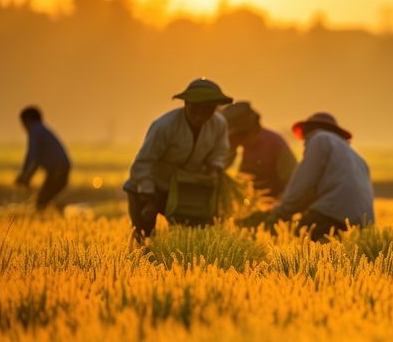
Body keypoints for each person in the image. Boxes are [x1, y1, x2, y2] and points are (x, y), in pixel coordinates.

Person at [124, 78, 233, 240]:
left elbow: (221, 150)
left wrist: (214, 167)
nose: (200, 116)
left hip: (183, 187)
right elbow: (144, 163)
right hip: (149, 186)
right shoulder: (165, 126)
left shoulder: (219, 124)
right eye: (196, 109)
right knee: (144, 234)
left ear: (214, 109)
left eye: (207, 110)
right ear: (186, 105)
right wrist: (148, 197)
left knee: (190, 235)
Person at [242, 113, 374, 241]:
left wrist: (279, 212)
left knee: (295, 242)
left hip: (331, 214)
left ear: (308, 132)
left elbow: (302, 185)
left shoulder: (320, 139)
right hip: (364, 224)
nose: (304, 143)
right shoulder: (358, 157)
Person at [222, 101, 297, 199]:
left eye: (242, 134)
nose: (240, 139)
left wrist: (279, 205)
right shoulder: (235, 146)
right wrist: (231, 149)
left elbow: (292, 180)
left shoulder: (275, 143)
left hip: (275, 203)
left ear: (254, 128)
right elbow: (220, 169)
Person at [15, 106, 72, 211]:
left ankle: (63, 216)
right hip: (60, 168)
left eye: (23, 123)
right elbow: (37, 160)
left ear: (28, 120)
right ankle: (61, 215)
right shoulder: (42, 130)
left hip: (58, 170)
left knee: (42, 200)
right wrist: (27, 177)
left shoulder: (35, 130)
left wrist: (24, 174)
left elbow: (31, 155)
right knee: (46, 198)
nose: (22, 127)